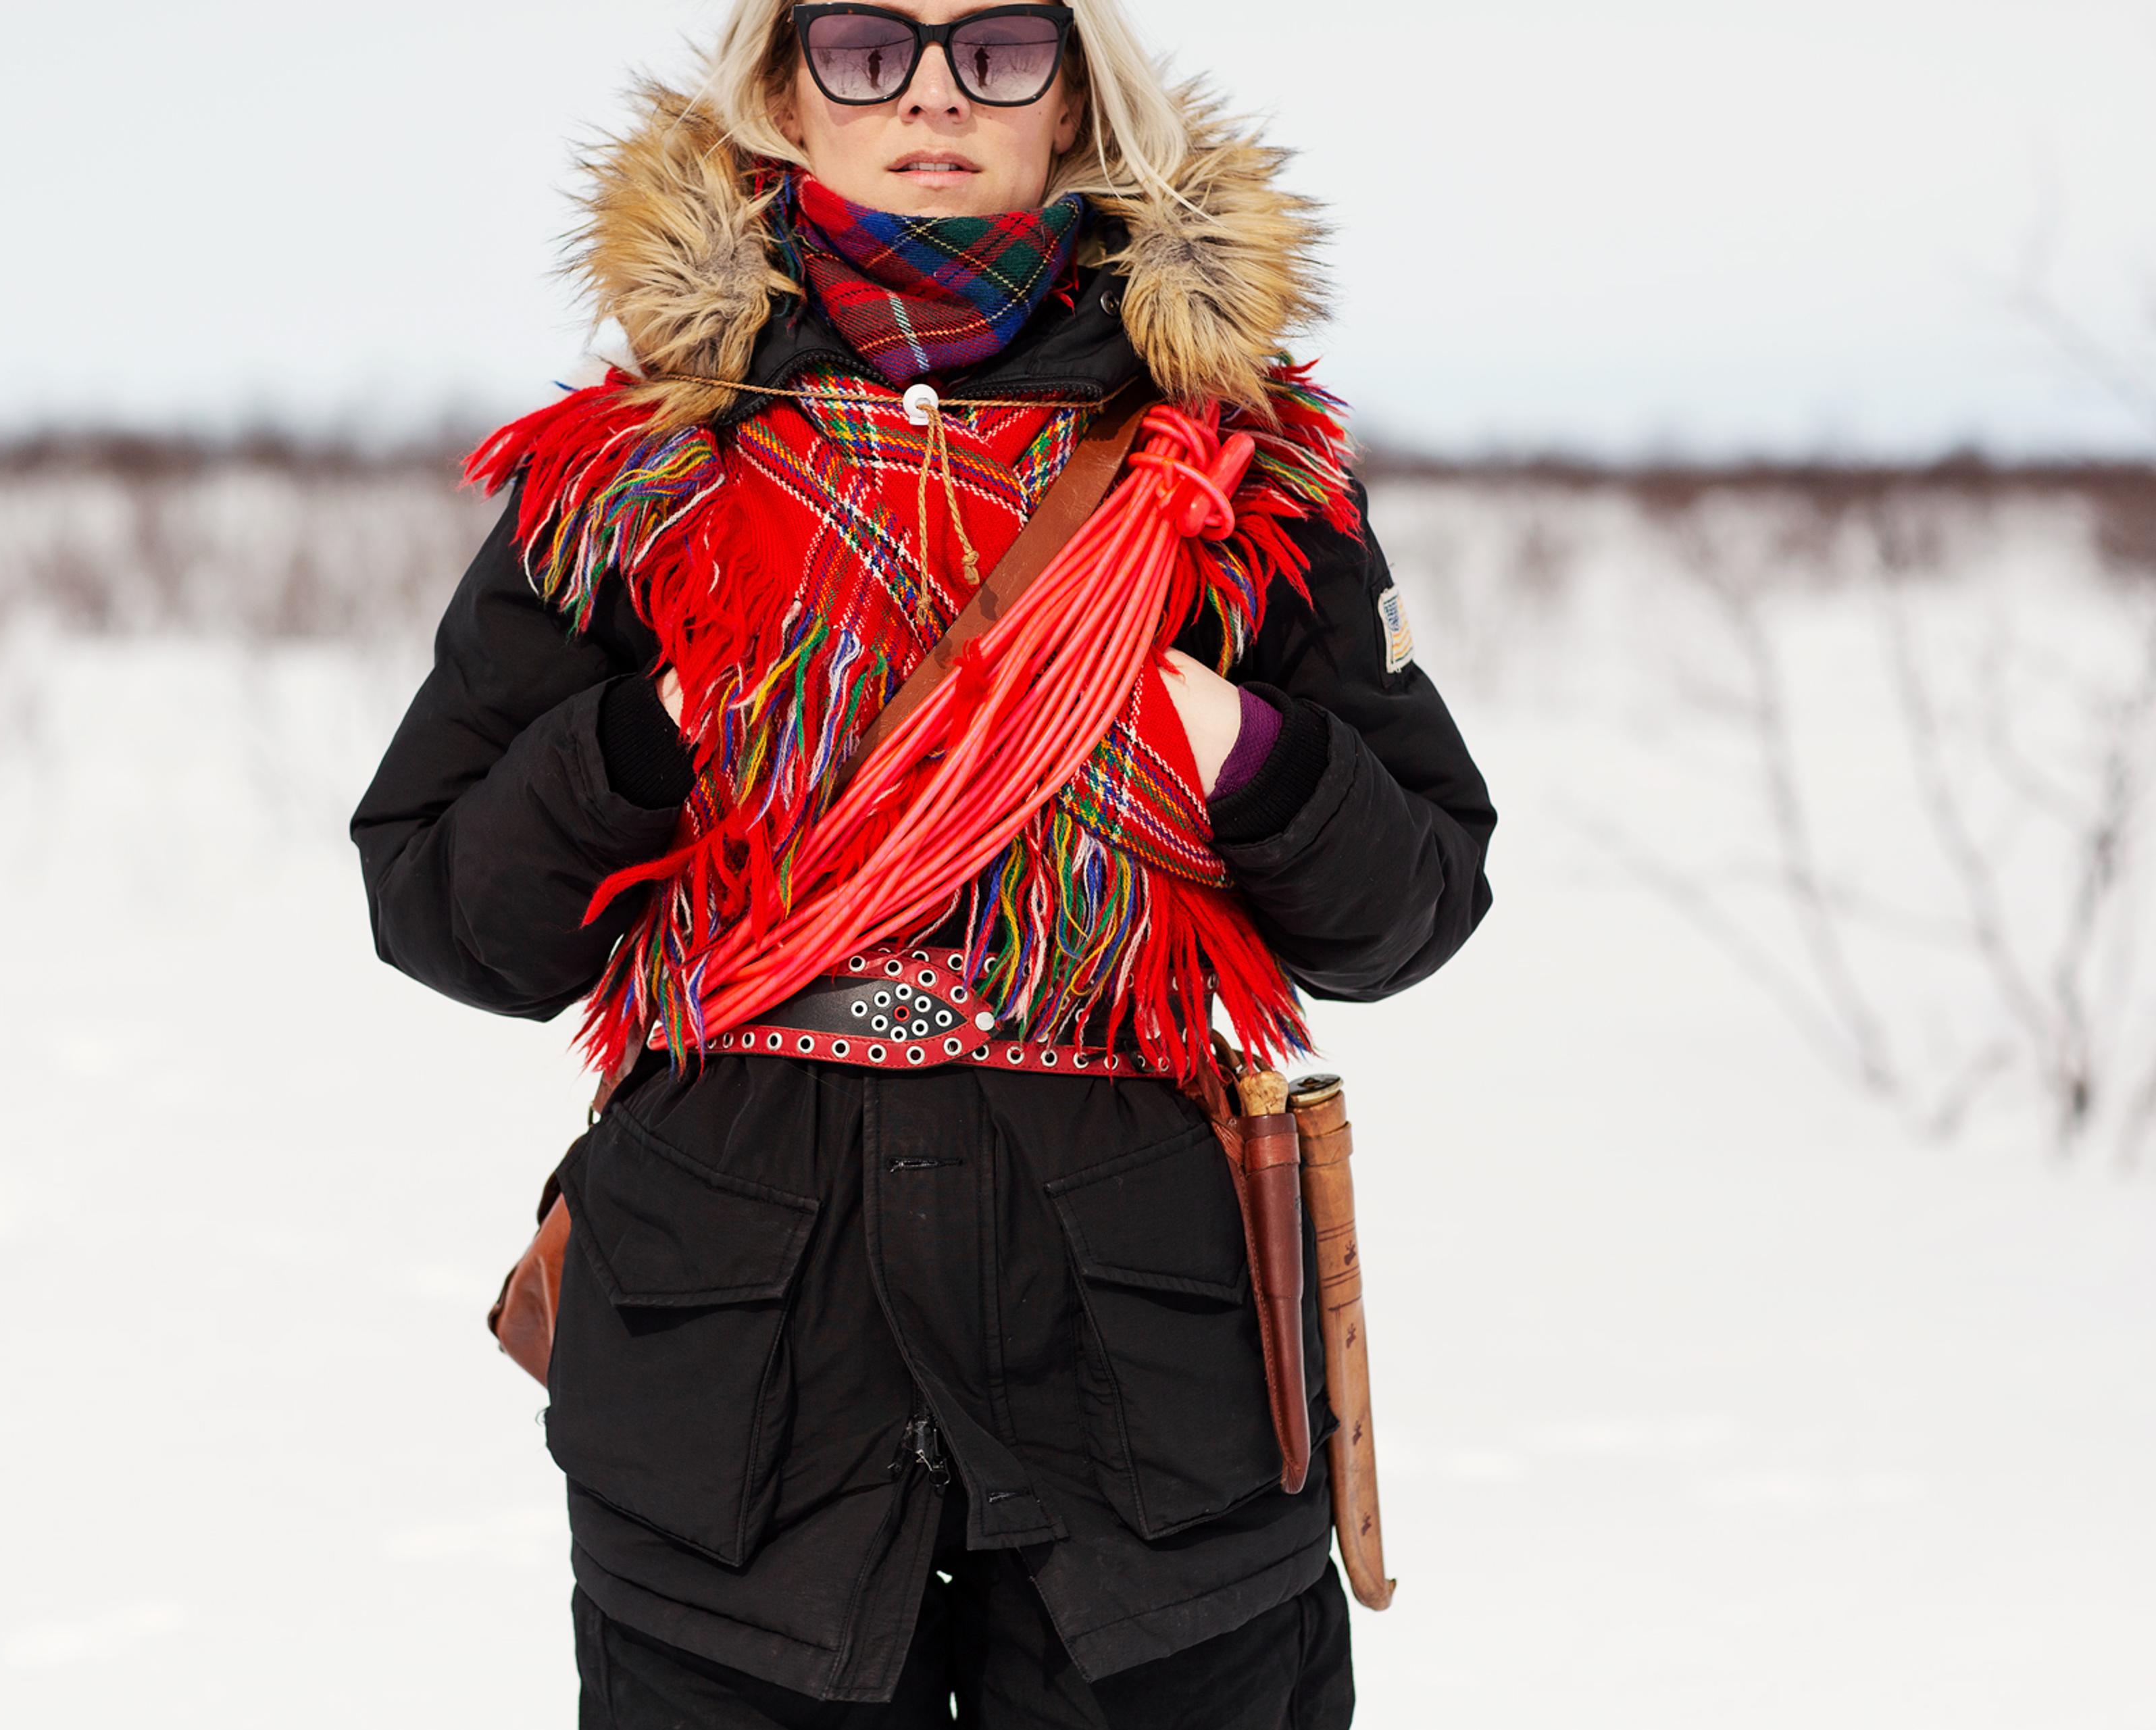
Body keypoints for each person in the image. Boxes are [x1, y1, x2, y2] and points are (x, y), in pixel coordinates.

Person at [349, 1, 1495, 1721]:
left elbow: (1410, 910)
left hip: (1151, 1415)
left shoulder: (1234, 477)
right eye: (870, 46)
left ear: (1076, 92)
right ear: (786, 93)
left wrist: (1230, 745)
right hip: (739, 1409)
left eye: (1001, 47)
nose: (937, 92)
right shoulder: (630, 475)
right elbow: (445, 912)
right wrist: (651, 734)